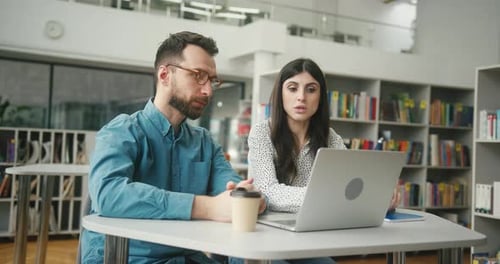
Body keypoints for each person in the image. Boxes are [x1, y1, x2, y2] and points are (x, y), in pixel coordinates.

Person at [80, 31, 266, 263]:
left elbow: (230, 193)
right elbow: (108, 195)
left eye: (212, 80)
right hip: (126, 256)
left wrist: (244, 197)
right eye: (198, 76)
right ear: (165, 75)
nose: (208, 90)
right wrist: (204, 207)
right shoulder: (121, 131)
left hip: (185, 256)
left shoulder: (205, 142)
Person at [233, 58, 400, 264]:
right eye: (292, 88)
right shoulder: (261, 133)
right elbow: (268, 191)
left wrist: (377, 197)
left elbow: (349, 186)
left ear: (320, 97)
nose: (301, 97)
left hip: (307, 238)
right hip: (264, 235)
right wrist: (325, 196)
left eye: (311, 90)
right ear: (280, 94)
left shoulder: (331, 138)